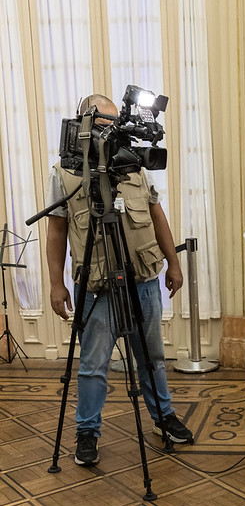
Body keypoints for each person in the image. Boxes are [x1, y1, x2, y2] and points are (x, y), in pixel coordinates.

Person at [46, 93, 193, 466]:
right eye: (101, 125)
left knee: (153, 358)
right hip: (96, 287)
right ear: (82, 127)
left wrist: (173, 265)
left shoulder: (134, 166)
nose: (110, 132)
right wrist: (56, 283)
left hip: (142, 281)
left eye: (115, 124)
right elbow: (57, 231)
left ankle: (163, 418)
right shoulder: (64, 173)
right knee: (93, 366)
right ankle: (87, 432)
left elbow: (158, 216)